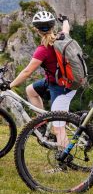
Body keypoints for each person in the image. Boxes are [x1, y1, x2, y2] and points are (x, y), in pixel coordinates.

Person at [3, 11, 76, 146]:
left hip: (61, 87)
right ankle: (42, 122)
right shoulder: (61, 37)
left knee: (58, 129)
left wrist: (10, 85)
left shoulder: (43, 50)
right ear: (53, 27)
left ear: (37, 30)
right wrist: (65, 19)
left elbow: (27, 72)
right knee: (31, 90)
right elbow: (66, 28)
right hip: (56, 81)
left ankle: (65, 159)